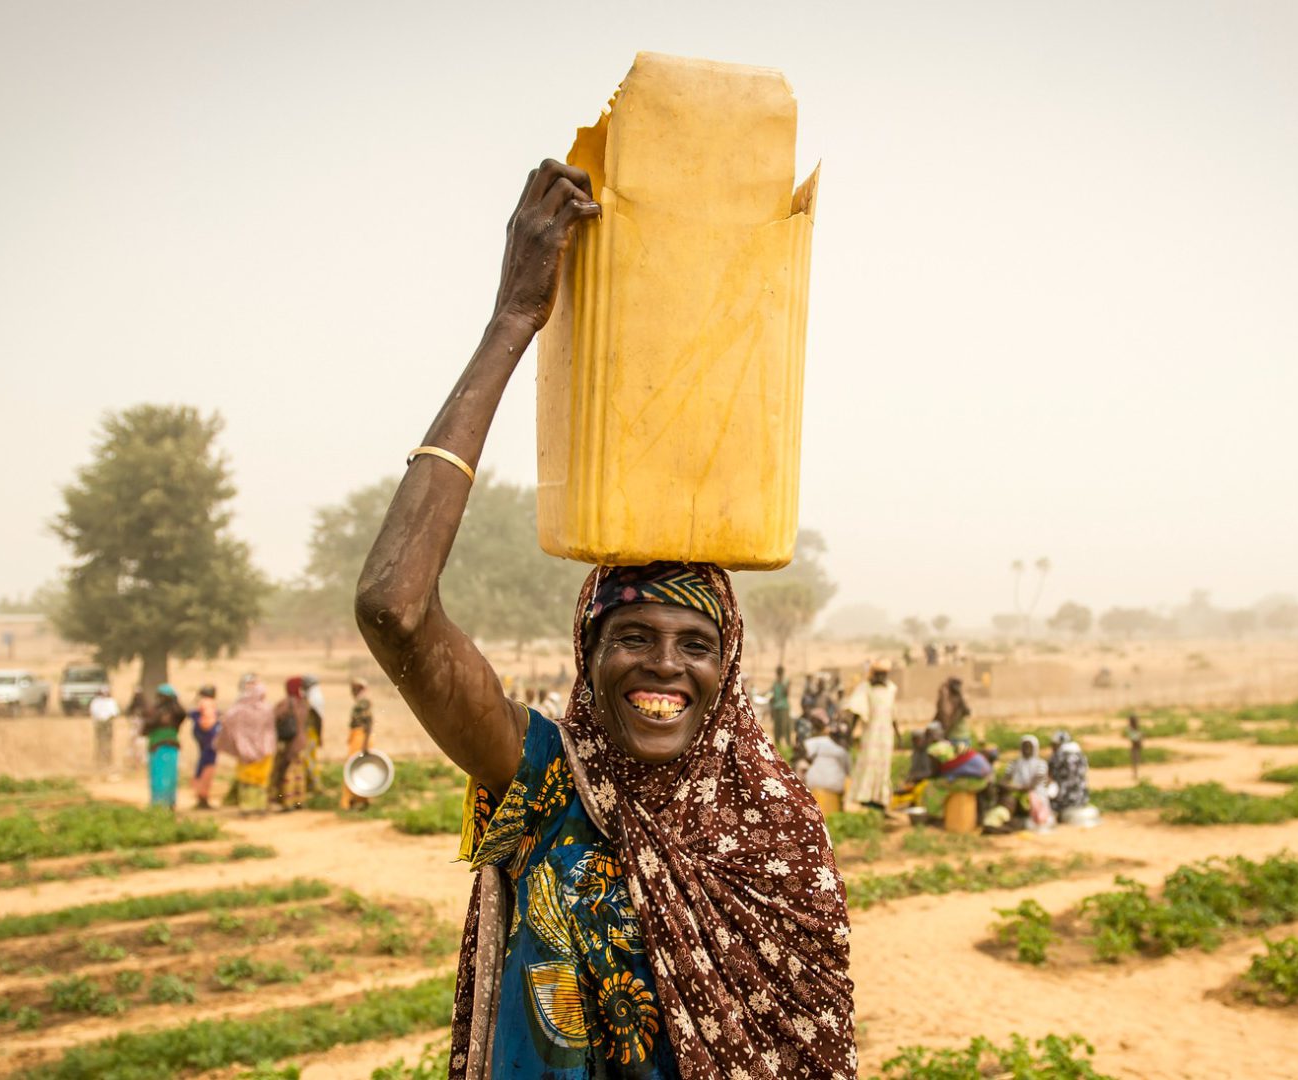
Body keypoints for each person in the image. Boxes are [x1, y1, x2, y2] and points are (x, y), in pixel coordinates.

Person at [351, 159, 853, 1080]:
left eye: (696, 644)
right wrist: (512, 320)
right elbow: (394, 607)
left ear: (728, 667)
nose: (665, 667)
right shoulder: (545, 782)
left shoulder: (776, 831)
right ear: (588, 656)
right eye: (632, 636)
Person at [216, 674, 277, 817]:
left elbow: (226, 723)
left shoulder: (237, 710)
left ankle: (246, 808)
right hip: (265, 749)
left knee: (246, 779)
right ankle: (260, 807)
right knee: (260, 780)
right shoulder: (266, 709)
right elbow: (271, 730)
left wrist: (236, 742)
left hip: (244, 751)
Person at [845, 660, 899, 812]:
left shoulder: (892, 689)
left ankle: (880, 800)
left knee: (884, 765)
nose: (882, 677)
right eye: (879, 673)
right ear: (874, 674)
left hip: (886, 735)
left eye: (884, 674)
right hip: (871, 734)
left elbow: (893, 713)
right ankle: (866, 798)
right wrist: (850, 733)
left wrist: (898, 734)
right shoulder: (865, 688)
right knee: (869, 763)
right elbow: (857, 711)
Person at [271, 676, 317, 811]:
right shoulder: (304, 702)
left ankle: (288, 802)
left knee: (287, 772)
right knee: (299, 773)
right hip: (303, 741)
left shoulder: (286, 703)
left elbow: (274, 716)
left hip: (290, 742)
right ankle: (299, 801)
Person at [144, 685, 187, 809]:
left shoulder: (155, 711)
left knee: (159, 776)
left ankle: (159, 803)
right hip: (171, 745)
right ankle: (169, 802)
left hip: (157, 746)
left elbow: (146, 728)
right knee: (169, 776)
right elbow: (182, 713)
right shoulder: (176, 714)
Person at [802, 717, 853, 818]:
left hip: (814, 783)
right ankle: (842, 807)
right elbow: (849, 773)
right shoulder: (845, 753)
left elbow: (803, 750)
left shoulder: (819, 742)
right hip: (834, 787)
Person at [1003, 735, 1053, 830]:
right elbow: (1004, 780)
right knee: (1008, 799)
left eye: (1029, 746)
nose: (1026, 749)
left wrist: (1013, 787)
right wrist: (1011, 787)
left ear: (1035, 748)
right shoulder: (1014, 763)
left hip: (1035, 794)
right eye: (1024, 746)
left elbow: (1032, 786)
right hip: (1017, 792)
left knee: (1030, 799)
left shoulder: (1041, 764)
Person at [343, 677, 376, 810]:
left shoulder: (363, 702)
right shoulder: (361, 701)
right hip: (358, 737)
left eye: (355, 688)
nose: (352, 691)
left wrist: (365, 744)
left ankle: (355, 800)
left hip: (361, 738)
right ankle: (357, 800)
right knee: (357, 768)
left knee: (354, 768)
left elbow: (368, 722)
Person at [189, 685, 222, 810]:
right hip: (210, 741)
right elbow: (208, 723)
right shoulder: (208, 704)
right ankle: (203, 796)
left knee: (202, 766)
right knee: (208, 767)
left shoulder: (199, 706)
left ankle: (201, 795)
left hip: (204, 741)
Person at [1047, 730, 1089, 816]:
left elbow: (1049, 776)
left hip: (1063, 800)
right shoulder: (1081, 755)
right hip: (1082, 798)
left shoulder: (1057, 756)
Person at [88, 687, 121, 778]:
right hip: (99, 723)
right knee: (99, 741)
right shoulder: (96, 702)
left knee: (108, 741)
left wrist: (107, 720)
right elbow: (93, 712)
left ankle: (108, 760)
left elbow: (115, 713)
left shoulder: (111, 702)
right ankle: (99, 760)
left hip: (107, 724)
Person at [933, 676, 971, 744]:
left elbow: (946, 717)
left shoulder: (958, 701)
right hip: (957, 737)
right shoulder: (949, 700)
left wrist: (943, 696)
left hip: (958, 738)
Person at [768, 665, 792, 752]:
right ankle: (778, 748)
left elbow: (787, 693)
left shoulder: (786, 681)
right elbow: (773, 695)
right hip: (776, 708)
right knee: (777, 729)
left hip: (784, 708)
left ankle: (788, 747)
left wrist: (784, 684)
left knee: (785, 728)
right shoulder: (775, 683)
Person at [1125, 714, 1144, 780]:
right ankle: (1135, 775)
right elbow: (1134, 738)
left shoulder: (1133, 729)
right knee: (1135, 762)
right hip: (1135, 747)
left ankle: (1135, 774)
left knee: (1135, 761)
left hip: (1136, 747)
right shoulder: (1132, 729)